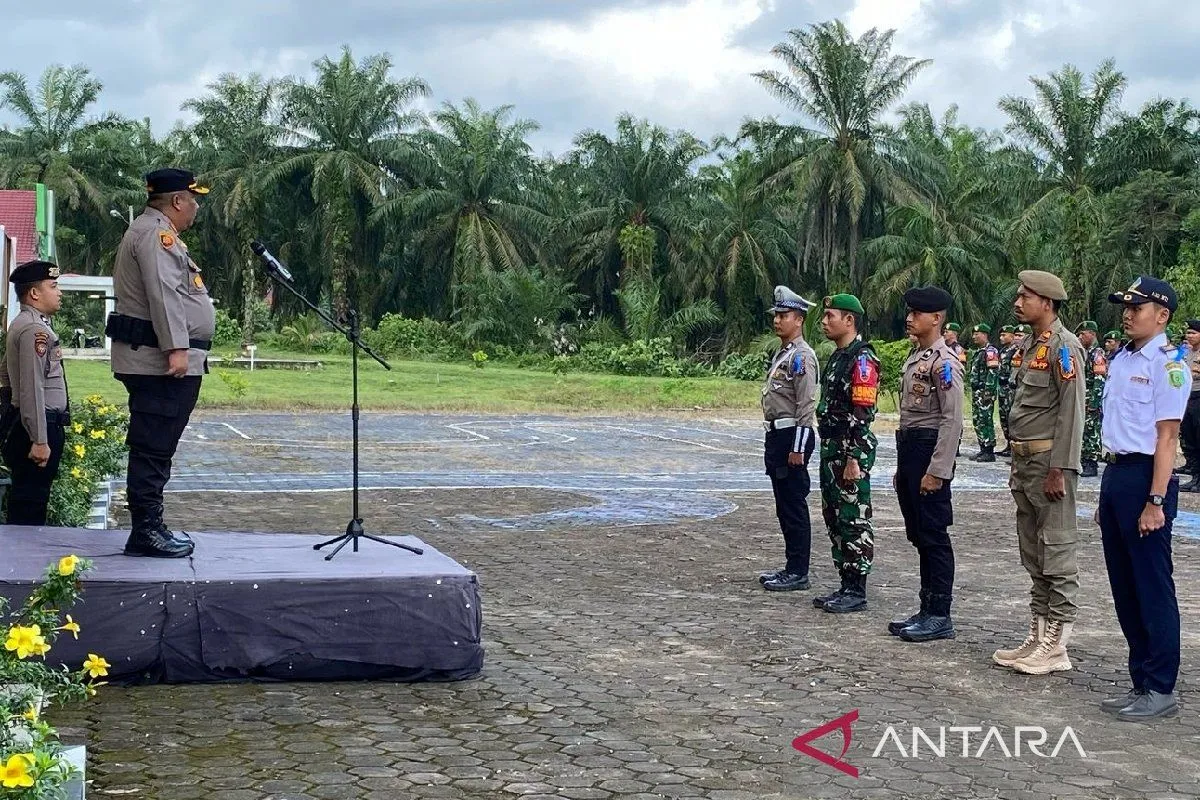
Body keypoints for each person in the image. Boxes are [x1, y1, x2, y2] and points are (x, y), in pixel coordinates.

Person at [106, 168, 215, 558]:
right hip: (157, 362)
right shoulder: (156, 235)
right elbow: (164, 293)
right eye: (193, 199)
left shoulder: (156, 233)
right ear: (177, 201)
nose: (196, 207)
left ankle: (150, 526)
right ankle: (146, 530)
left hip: (156, 359)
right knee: (153, 446)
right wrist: (177, 348)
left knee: (156, 445)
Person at [1096, 276, 1188, 721]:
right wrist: (1106, 496)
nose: (1128, 314)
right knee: (1125, 586)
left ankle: (1160, 686)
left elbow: (1167, 437)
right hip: (1116, 473)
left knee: (1152, 585)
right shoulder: (1122, 358)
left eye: (1138, 308)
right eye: (1126, 308)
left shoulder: (1168, 365)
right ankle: (1140, 680)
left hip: (1147, 476)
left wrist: (1156, 500)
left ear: (1162, 315)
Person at [992, 270, 1085, 675]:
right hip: (1025, 462)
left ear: (1047, 303)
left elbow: (1071, 412)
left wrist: (1060, 469)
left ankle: (1057, 646)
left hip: (1050, 464)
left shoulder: (1065, 347)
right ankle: (1039, 635)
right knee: (1034, 552)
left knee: (1057, 552)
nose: (1018, 303)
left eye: (1025, 297)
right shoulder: (1029, 345)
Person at [890, 286, 964, 642]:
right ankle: (926, 607)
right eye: (909, 312)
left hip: (929, 451)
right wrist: (903, 468)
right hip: (911, 449)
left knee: (934, 535)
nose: (909, 318)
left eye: (916, 313)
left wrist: (938, 470)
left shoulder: (944, 362)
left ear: (936, 318)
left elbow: (952, 420)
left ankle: (939, 614)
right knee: (919, 533)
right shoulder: (917, 356)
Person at [812, 294, 879, 613]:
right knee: (835, 516)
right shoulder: (839, 356)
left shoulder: (862, 358)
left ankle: (857, 589)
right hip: (832, 447)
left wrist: (853, 457)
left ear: (849, 320)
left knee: (853, 517)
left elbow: (862, 412)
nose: (824, 322)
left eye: (830, 316)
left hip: (850, 449)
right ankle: (845, 582)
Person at [759, 286, 820, 591]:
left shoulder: (802, 356)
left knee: (793, 505)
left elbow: (805, 406)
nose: (777, 320)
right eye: (776, 315)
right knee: (784, 505)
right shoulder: (783, 353)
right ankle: (791, 566)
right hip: (777, 435)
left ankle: (798, 571)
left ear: (799, 320)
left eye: (784, 315)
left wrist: (798, 447)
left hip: (791, 435)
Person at [0, 261, 67, 525]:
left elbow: (4, 375)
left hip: (31, 424)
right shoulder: (34, 330)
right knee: (30, 504)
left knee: (29, 501)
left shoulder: (28, 323)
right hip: (38, 428)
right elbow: (31, 387)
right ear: (34, 293)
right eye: (53, 286)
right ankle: (24, 551)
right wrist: (39, 439)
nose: (59, 292)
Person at [1074, 321, 1107, 478]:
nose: (1080, 337)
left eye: (1083, 334)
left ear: (1092, 334)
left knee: (1091, 430)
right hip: (1082, 397)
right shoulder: (1083, 352)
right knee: (1083, 430)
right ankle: (1083, 459)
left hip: (1091, 398)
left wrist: (1094, 402)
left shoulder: (1097, 354)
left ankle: (1091, 462)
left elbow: (1099, 379)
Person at [967, 323, 1000, 462]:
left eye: (977, 334)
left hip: (985, 392)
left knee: (986, 419)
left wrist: (988, 391)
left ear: (985, 335)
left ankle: (989, 450)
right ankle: (982, 447)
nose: (974, 337)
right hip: (977, 391)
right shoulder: (979, 352)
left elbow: (992, 372)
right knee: (978, 419)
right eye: (973, 334)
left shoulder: (990, 351)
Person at [1176, 319, 1200, 492]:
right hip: (1186, 397)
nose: (1189, 336)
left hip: (1199, 396)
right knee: (1188, 437)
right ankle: (1195, 475)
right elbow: (1174, 366)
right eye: (1188, 333)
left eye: (1193, 333)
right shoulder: (1184, 351)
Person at [996, 325, 1018, 457]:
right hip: (1002, 388)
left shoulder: (1016, 351)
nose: (1001, 337)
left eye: (1004, 335)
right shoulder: (1003, 350)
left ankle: (1013, 446)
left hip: (1010, 388)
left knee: (1011, 416)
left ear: (1012, 336)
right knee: (1003, 416)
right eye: (1001, 335)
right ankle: (1008, 444)